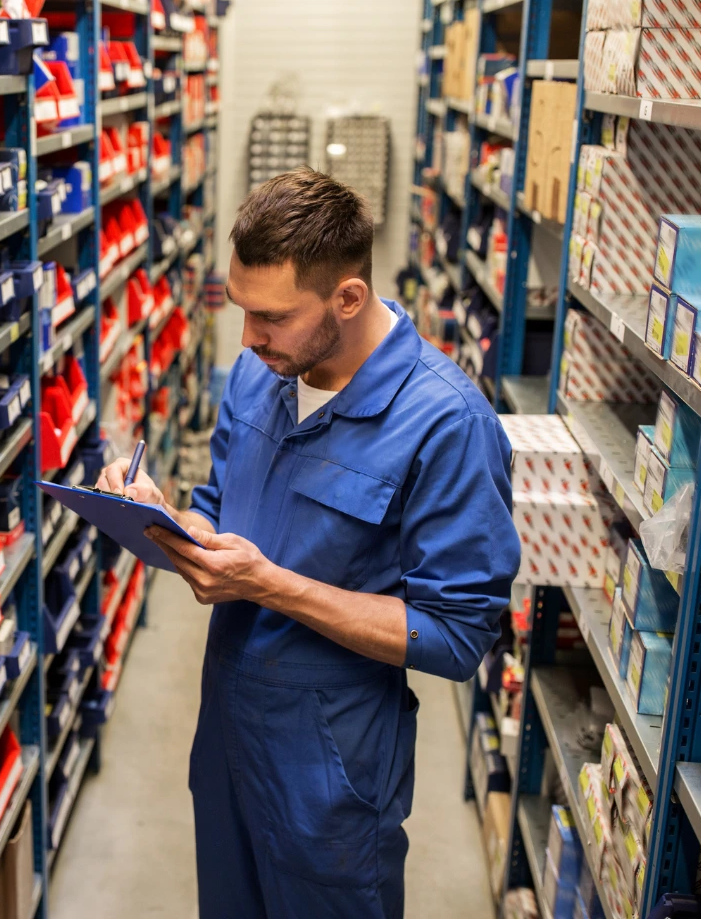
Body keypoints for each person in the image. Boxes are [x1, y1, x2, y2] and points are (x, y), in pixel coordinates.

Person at [95, 167, 521, 917]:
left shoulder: (447, 423)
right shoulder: (257, 374)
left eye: (272, 317)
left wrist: (269, 585)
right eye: (242, 310)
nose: (248, 337)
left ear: (347, 298)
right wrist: (166, 520)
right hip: (227, 738)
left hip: (330, 774)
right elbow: (217, 508)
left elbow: (456, 637)